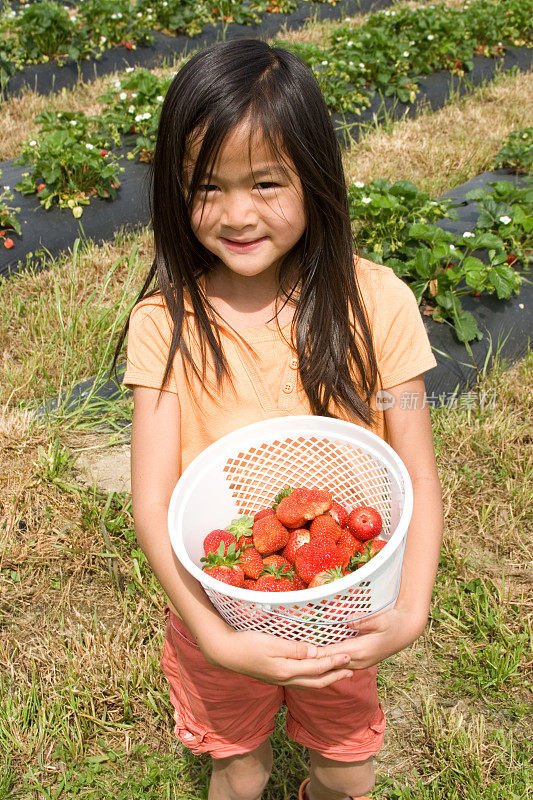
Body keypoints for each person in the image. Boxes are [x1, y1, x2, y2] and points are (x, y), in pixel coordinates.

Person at [113, 38, 444, 800]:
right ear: (173, 190)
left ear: (316, 177)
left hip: (343, 614)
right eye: (206, 187)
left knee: (346, 769)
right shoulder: (165, 324)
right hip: (223, 602)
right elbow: (154, 502)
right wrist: (216, 634)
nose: (236, 214)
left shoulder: (376, 304)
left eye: (265, 182)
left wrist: (411, 611)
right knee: (236, 763)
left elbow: (415, 470)